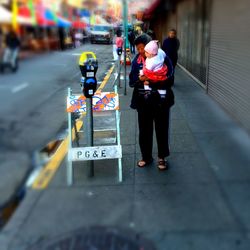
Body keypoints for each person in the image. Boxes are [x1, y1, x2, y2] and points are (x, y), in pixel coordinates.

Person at [129, 34, 174, 170]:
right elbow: (131, 82)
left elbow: (170, 80)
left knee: (162, 129)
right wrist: (140, 80)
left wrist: (151, 81)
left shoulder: (164, 59)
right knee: (144, 130)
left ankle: (162, 157)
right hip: (143, 101)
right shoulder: (136, 61)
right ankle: (146, 157)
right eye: (138, 49)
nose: (140, 51)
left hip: (161, 101)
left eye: (142, 48)